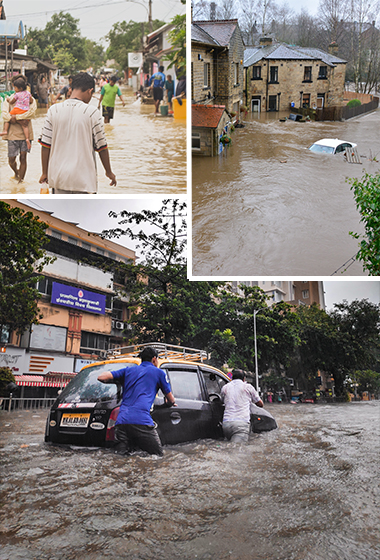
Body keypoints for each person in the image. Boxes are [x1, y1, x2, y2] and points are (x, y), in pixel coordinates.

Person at [38, 72, 116, 193]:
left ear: (71, 89)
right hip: (84, 181)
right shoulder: (92, 112)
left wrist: (44, 172)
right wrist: (109, 172)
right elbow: (102, 147)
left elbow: (45, 145)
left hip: (58, 179)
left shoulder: (53, 110)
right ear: (90, 91)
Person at [97, 347, 176, 456]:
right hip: (142, 422)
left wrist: (118, 380)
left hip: (121, 423)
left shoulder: (128, 370)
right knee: (158, 457)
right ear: (154, 359)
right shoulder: (159, 373)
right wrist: (169, 403)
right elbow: (171, 399)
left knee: (120, 458)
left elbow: (101, 377)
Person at [220, 369, 263, 443]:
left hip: (226, 424)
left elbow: (222, 401)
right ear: (244, 379)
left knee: (229, 447)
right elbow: (260, 404)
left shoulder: (225, 388)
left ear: (232, 378)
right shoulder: (248, 387)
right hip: (241, 425)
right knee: (237, 450)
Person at [0, 77, 33, 150]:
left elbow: (11, 102)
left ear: (19, 88)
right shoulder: (28, 93)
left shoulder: (17, 95)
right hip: (25, 111)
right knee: (25, 126)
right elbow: (31, 101)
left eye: (15, 87)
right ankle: (27, 138)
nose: (14, 89)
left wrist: (8, 100)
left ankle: (5, 130)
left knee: (8, 117)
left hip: (17, 109)